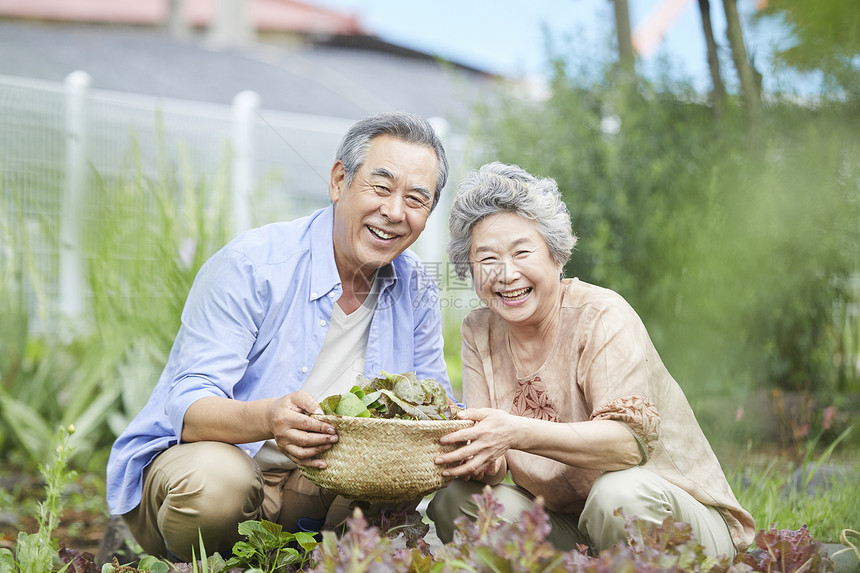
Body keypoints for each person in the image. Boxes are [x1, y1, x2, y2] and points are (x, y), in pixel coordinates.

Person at [106, 112, 453, 561]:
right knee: (219, 482)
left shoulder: (417, 288)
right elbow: (189, 407)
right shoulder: (254, 265)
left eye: (416, 199)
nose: (393, 212)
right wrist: (271, 416)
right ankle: (198, 564)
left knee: (391, 497)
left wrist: (474, 439)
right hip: (218, 473)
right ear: (338, 181)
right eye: (381, 188)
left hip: (319, 487)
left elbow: (435, 406)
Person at [428, 162, 755, 557]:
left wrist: (514, 431)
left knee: (615, 494)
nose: (506, 273)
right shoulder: (479, 329)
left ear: (557, 256)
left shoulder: (601, 315)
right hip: (574, 523)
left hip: (676, 519)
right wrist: (476, 454)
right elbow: (493, 462)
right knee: (458, 502)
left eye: (522, 252)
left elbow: (626, 447)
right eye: (487, 259)